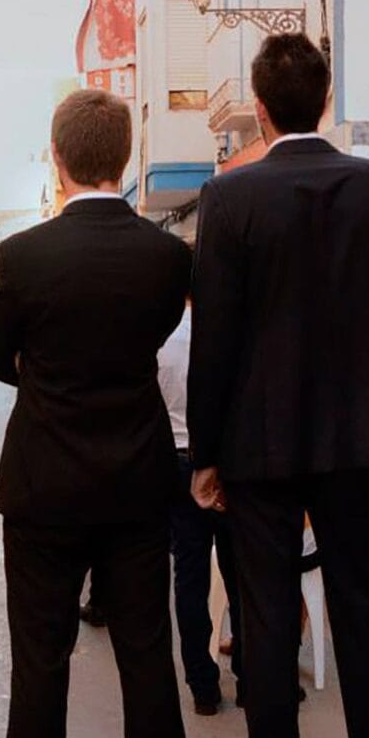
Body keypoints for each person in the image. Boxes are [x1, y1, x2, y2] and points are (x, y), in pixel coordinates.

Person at [187, 33, 369, 738]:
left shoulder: (229, 198)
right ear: (325, 100)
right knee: (362, 616)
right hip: (356, 443)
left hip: (257, 446)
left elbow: (215, 338)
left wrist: (205, 453)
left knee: (264, 621)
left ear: (258, 107)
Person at [0, 88, 189, 738]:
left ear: (56, 158)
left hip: (45, 484)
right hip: (137, 479)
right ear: (124, 159)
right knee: (146, 653)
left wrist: (49, 376)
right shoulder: (168, 257)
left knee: (41, 661)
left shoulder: (25, 254)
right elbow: (156, 337)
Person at [160, 298, 244, 715]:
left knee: (190, 576)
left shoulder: (163, 336)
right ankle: (251, 675)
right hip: (233, 461)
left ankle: (202, 685)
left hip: (179, 458)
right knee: (242, 574)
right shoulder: (234, 332)